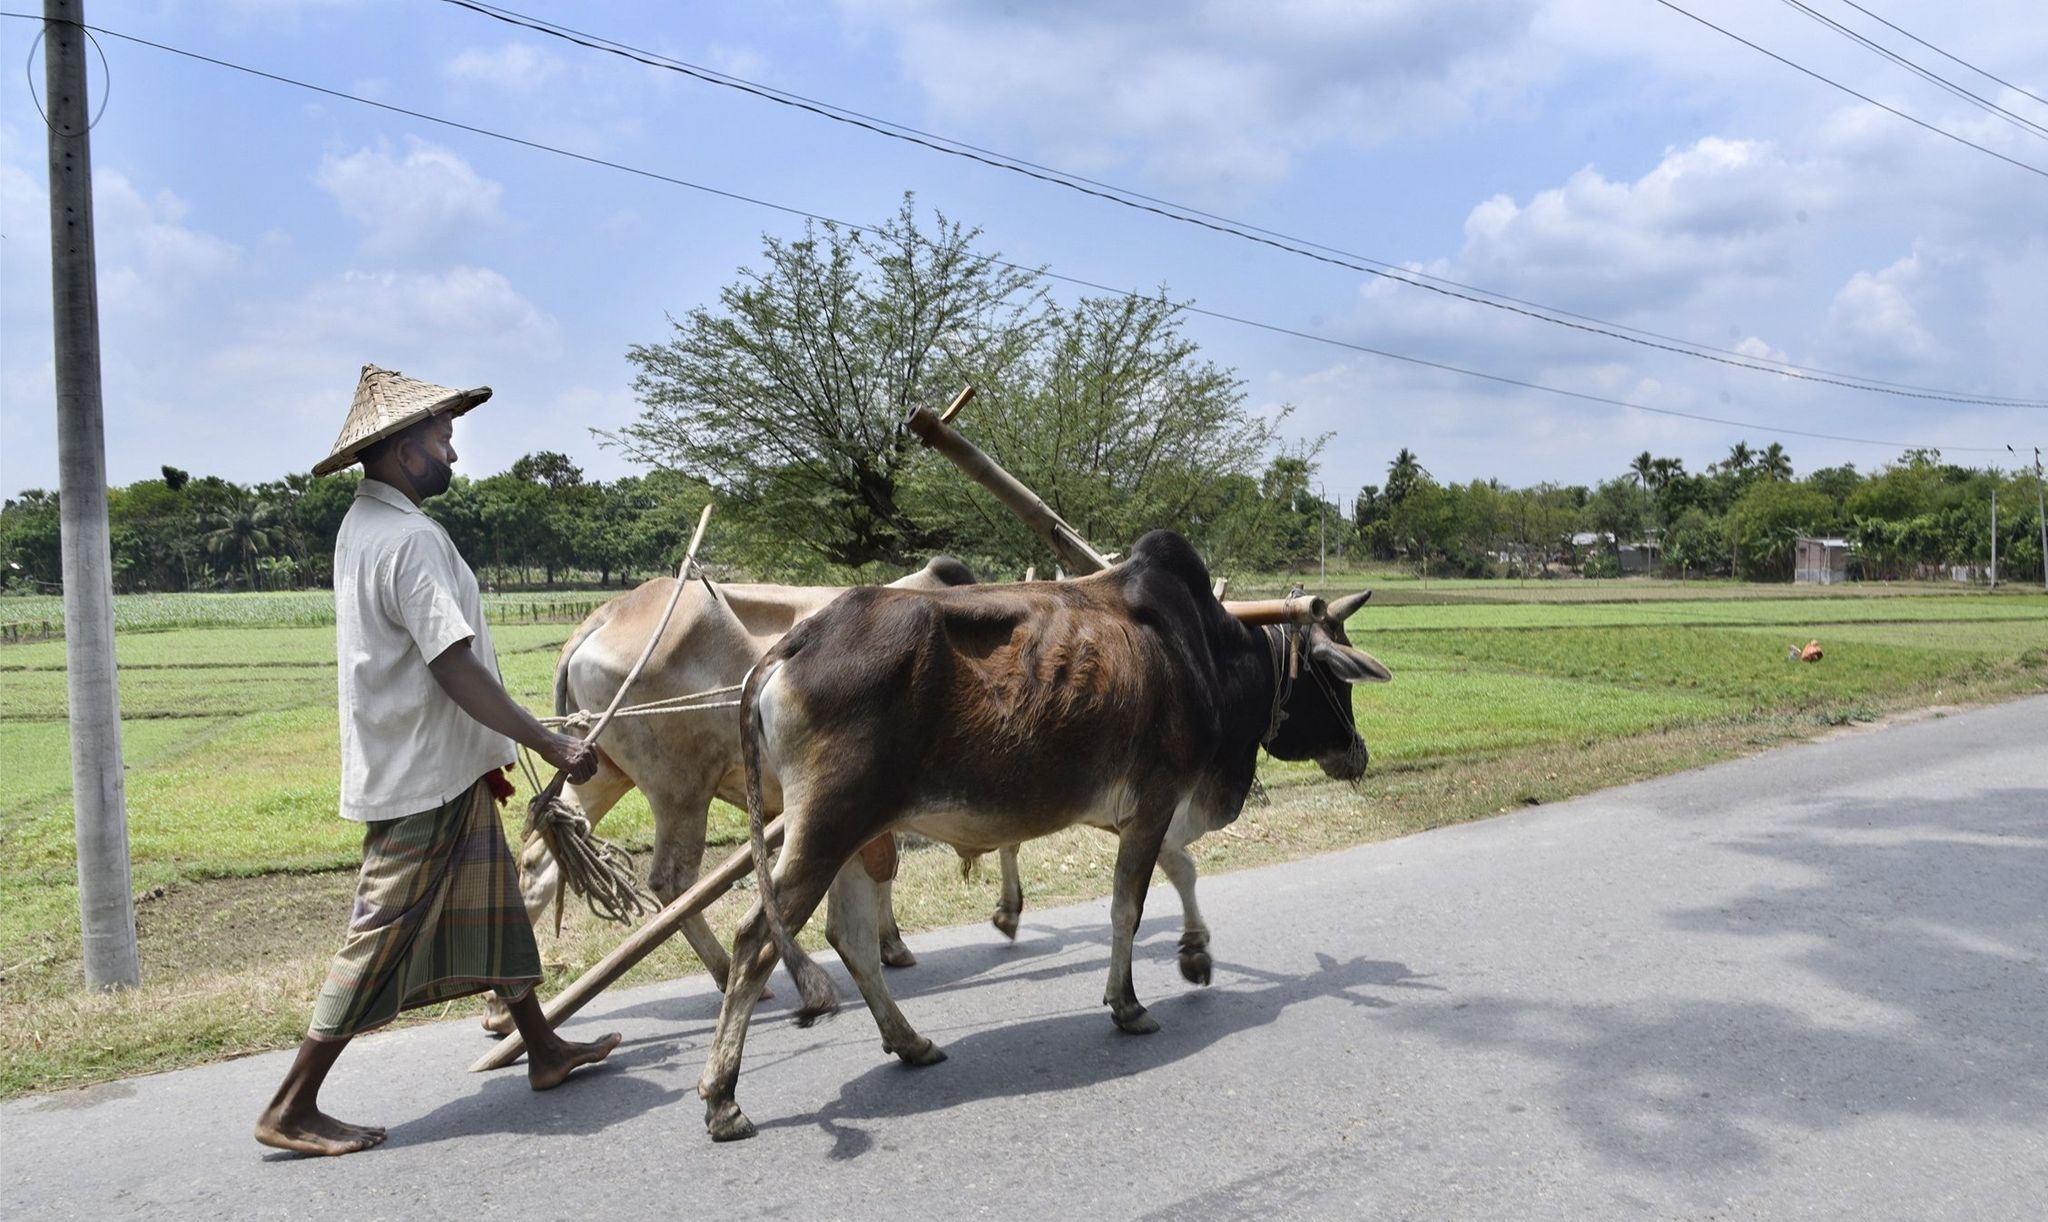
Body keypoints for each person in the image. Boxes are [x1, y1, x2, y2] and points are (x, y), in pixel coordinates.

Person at [256, 365, 620, 1156]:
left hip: (430, 762)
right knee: (379, 931)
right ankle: (290, 1106)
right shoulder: (411, 538)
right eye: (441, 439)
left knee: (494, 909)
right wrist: (550, 741)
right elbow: (452, 665)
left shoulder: (365, 524)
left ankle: (545, 1050)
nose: (452, 453)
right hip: (423, 773)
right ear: (401, 449)